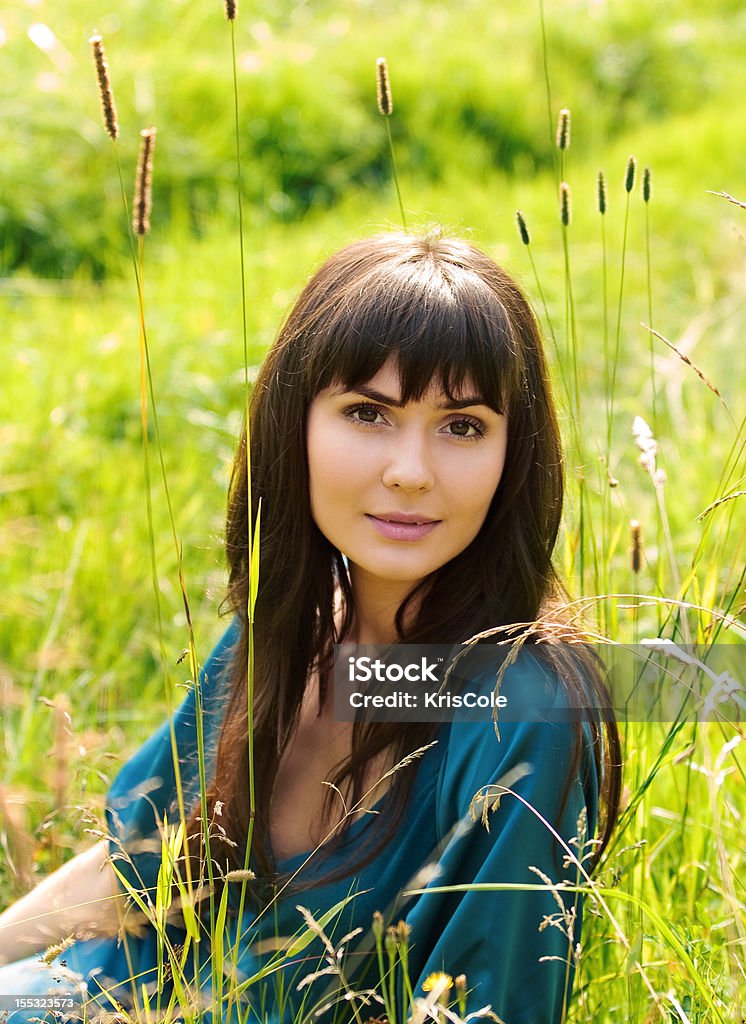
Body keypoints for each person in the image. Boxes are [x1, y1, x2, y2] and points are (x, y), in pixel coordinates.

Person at [0, 230, 621, 1023]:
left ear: (515, 455)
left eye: (462, 425)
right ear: (295, 424)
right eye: (368, 413)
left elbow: (489, 1001)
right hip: (96, 994)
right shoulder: (288, 630)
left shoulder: (522, 710)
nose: (410, 469)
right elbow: (141, 866)